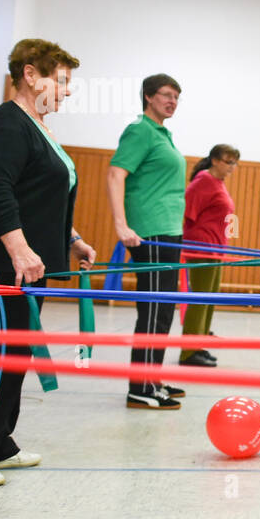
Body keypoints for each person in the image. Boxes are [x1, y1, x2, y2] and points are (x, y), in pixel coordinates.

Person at [0, 39, 96, 486]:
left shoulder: (39, 127)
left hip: (27, 264)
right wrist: (18, 248)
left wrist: (72, 238)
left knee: (18, 348)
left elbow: (39, 198)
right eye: (62, 81)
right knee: (2, 349)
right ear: (31, 75)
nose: (67, 92)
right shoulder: (9, 123)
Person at [107, 74, 188, 410]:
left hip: (168, 231)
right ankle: (139, 385)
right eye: (166, 95)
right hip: (149, 232)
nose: (172, 101)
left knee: (163, 310)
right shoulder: (140, 130)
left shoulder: (163, 134)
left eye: (177, 97)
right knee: (152, 311)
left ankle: (151, 377)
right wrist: (121, 225)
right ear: (148, 97)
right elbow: (115, 174)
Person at [178, 143, 240, 367]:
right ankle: (188, 351)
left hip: (216, 249)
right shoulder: (204, 180)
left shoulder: (219, 183)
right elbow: (185, 211)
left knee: (210, 298)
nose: (232, 167)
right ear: (215, 160)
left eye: (235, 162)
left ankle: (199, 344)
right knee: (200, 299)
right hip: (201, 248)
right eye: (229, 161)